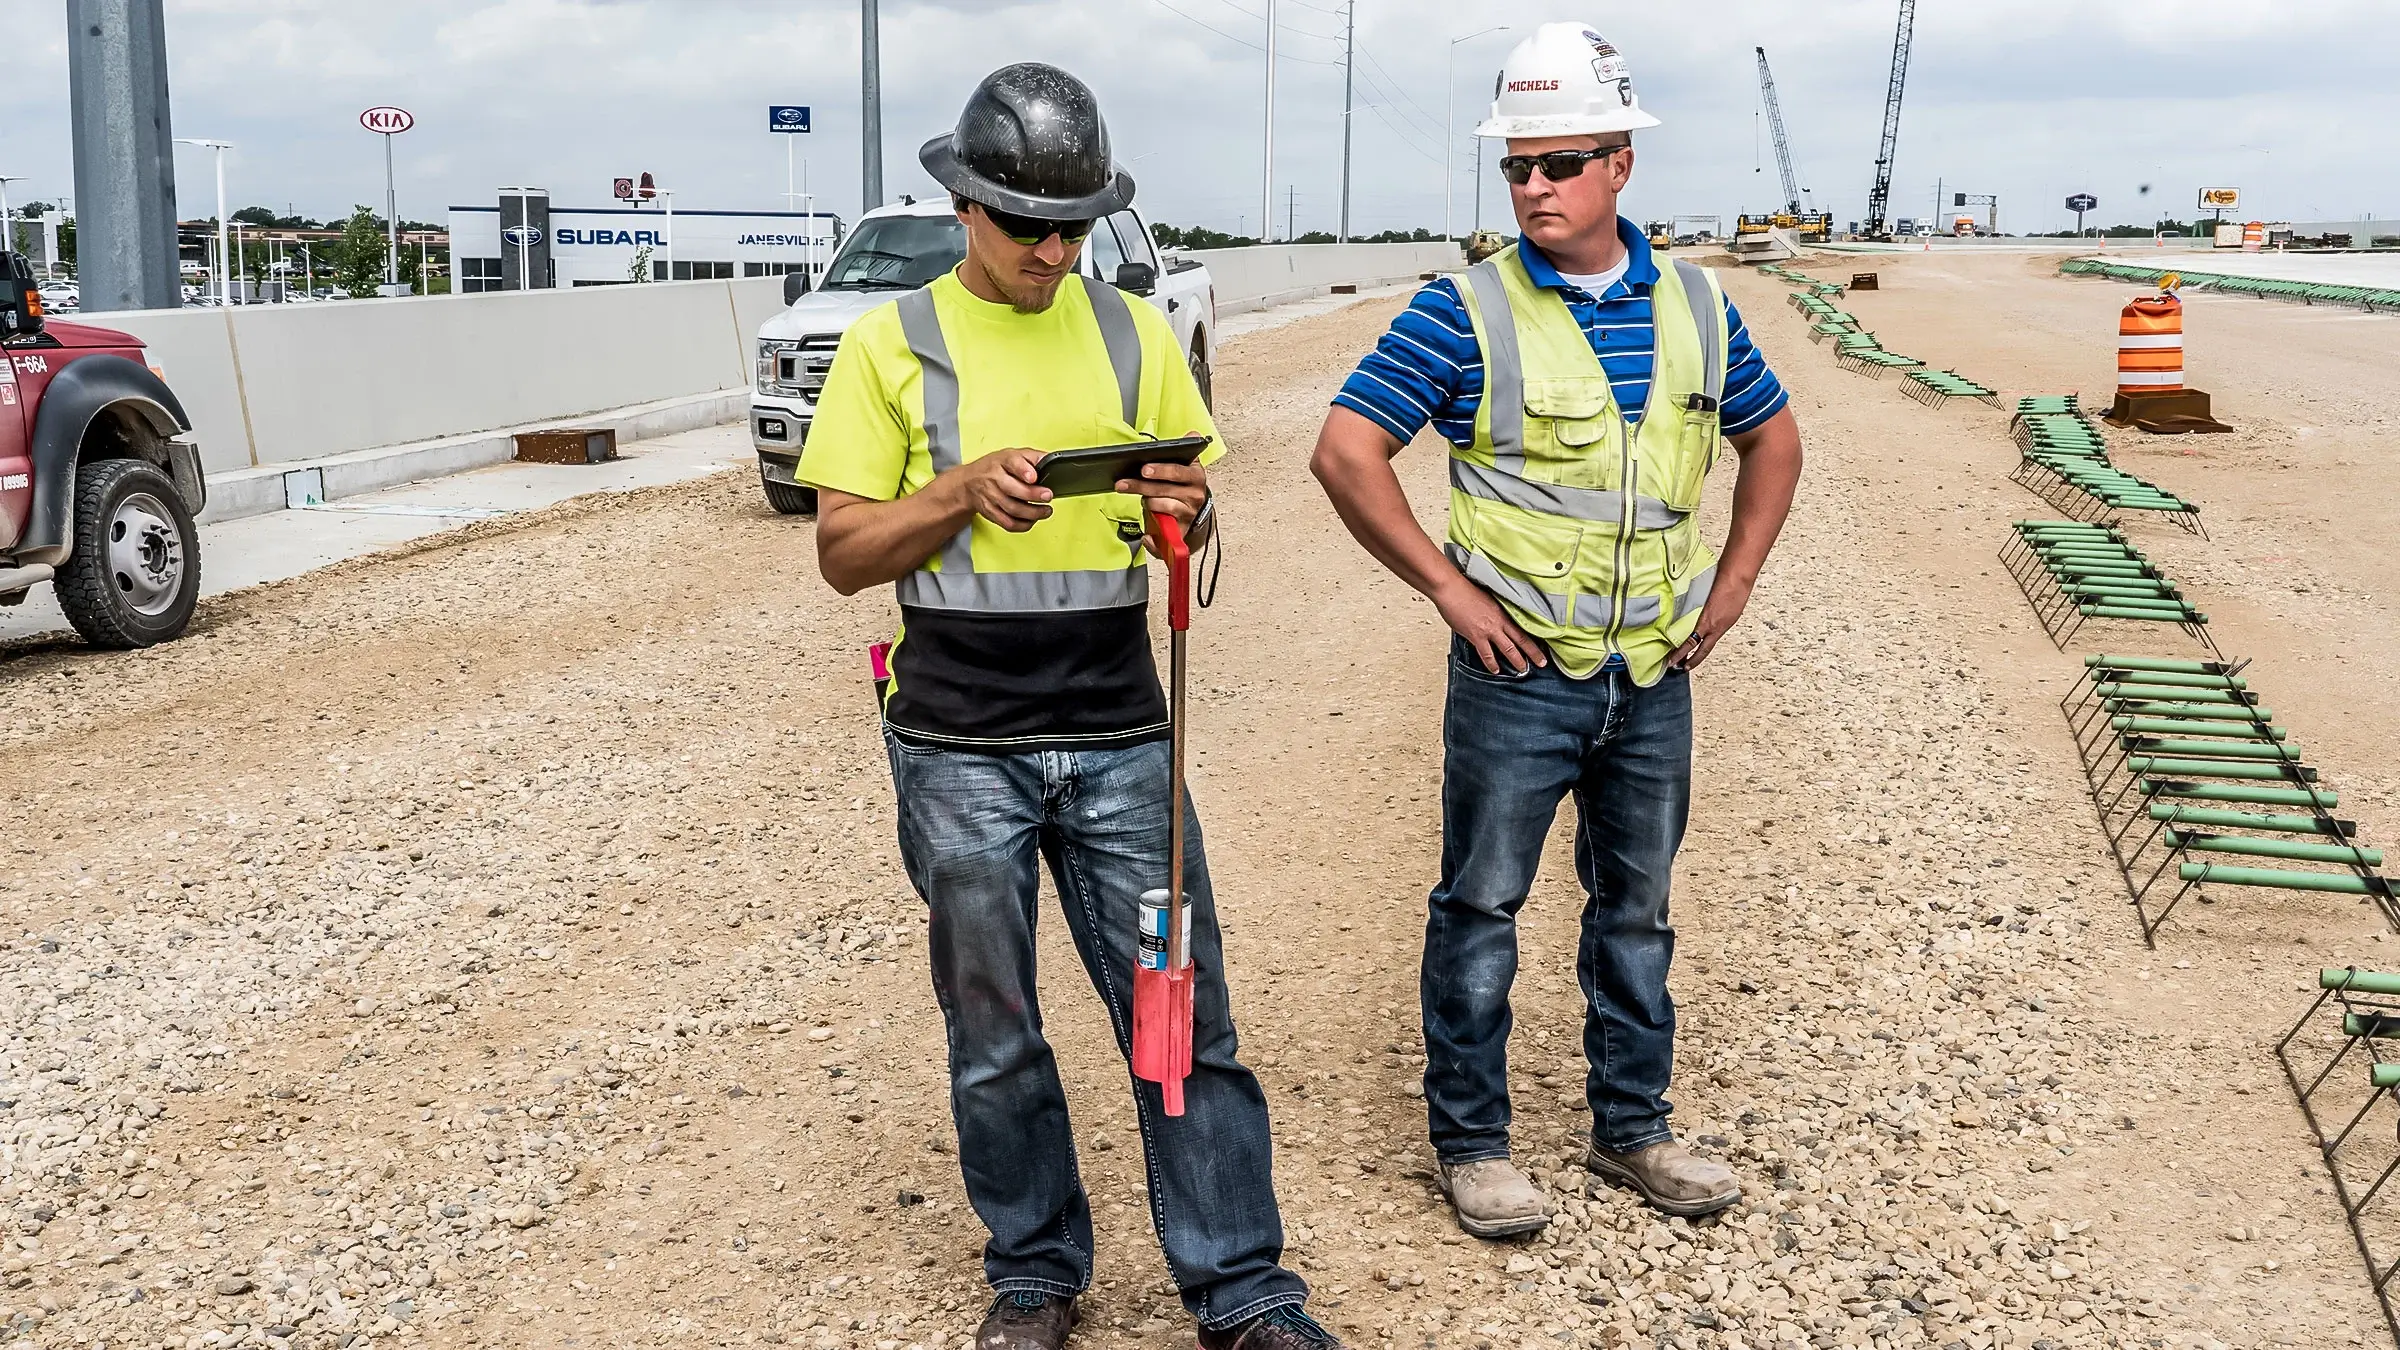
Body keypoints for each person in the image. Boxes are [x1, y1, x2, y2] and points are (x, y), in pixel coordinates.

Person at [797, 63, 1340, 1350]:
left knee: (1180, 1011)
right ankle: (1036, 1274)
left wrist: (1187, 506)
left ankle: (1242, 1289)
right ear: (962, 205)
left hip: (1120, 732)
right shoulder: (888, 343)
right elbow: (843, 552)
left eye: (1074, 228)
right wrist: (958, 492)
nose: (1052, 252)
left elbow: (1192, 499)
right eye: (1026, 225)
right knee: (995, 1033)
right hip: (958, 743)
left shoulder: (1133, 332)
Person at [1308, 24, 1804, 1238]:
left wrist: (1733, 583)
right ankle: (1473, 1145)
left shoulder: (1697, 305)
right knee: (1482, 909)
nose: (1534, 186)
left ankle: (1633, 1129)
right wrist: (1448, 590)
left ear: (1620, 164)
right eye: (1517, 166)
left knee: (1636, 911)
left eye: (1561, 163)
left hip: (1652, 672)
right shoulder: (1461, 312)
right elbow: (1346, 452)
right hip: (1516, 675)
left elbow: (1774, 440)